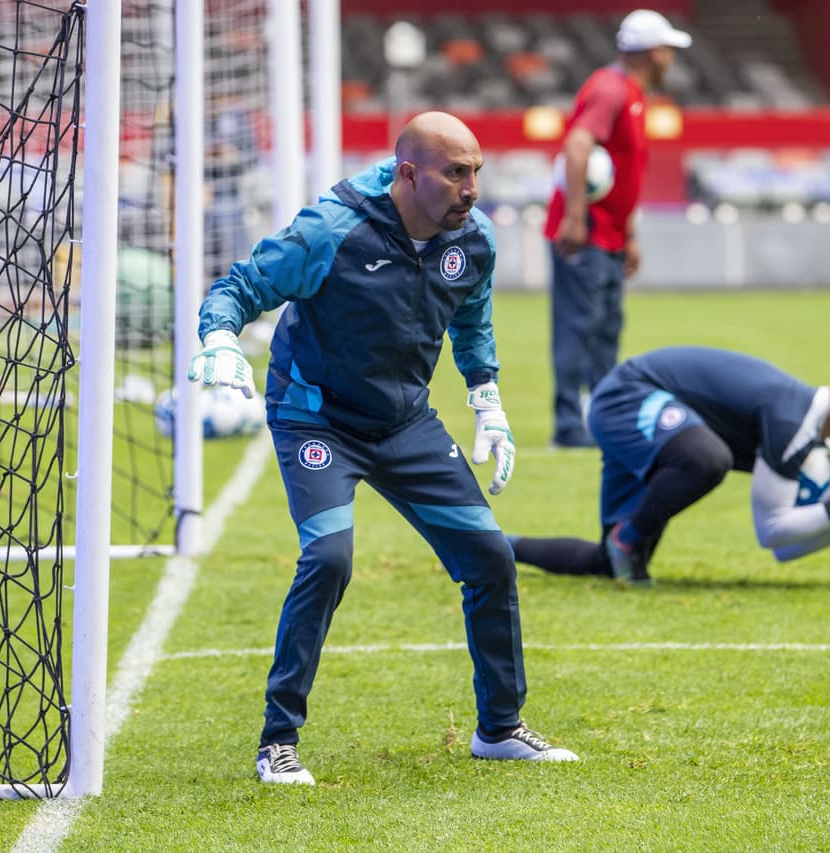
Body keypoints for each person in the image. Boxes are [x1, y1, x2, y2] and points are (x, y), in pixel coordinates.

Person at [188, 111, 578, 785]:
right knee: (329, 558)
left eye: (476, 172)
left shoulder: (473, 238)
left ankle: (499, 728)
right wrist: (220, 337)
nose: (471, 188)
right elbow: (240, 286)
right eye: (455, 173)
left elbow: (472, 319)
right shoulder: (331, 230)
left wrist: (486, 399)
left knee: (490, 557)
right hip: (316, 419)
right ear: (408, 174)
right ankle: (278, 740)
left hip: (404, 423)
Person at [510, 346, 830, 584]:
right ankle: (626, 538)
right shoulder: (793, 421)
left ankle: (496, 547)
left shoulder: (807, 434)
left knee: (610, 566)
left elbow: (783, 551)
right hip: (628, 395)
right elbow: (771, 530)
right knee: (706, 460)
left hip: (653, 415)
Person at [544, 10, 691, 448]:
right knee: (579, 326)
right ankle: (569, 426)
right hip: (585, 232)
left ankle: (602, 418)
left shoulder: (630, 91)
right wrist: (574, 218)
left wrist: (629, 235)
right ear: (654, 52)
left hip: (608, 233)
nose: (671, 59)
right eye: (668, 50)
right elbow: (577, 146)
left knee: (605, 328)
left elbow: (623, 176)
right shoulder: (610, 89)